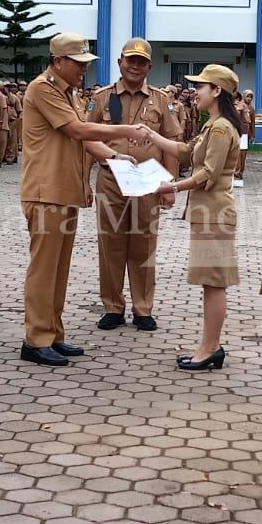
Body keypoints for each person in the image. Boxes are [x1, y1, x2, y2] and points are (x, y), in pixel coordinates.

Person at [19, 33, 150, 367]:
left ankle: (53, 334)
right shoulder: (43, 88)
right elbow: (78, 130)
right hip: (45, 191)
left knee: (59, 270)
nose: (83, 70)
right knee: (44, 270)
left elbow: (84, 140)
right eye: (78, 64)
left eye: (85, 64)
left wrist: (114, 157)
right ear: (58, 61)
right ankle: (36, 339)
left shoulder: (69, 93)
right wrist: (125, 131)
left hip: (65, 191)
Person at [141, 64, 246, 368]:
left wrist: (170, 185)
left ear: (217, 91)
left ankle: (210, 348)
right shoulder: (211, 124)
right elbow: (187, 152)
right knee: (209, 282)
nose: (195, 92)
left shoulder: (221, 127)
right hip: (206, 213)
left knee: (214, 282)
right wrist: (152, 135)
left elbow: (208, 173)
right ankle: (209, 345)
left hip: (215, 213)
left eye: (201, 86)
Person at [87, 39, 183, 332]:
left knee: (144, 244)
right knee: (111, 244)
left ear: (149, 67)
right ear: (120, 62)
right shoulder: (102, 98)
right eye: (130, 60)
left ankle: (143, 309)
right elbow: (85, 137)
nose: (135, 66)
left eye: (141, 62)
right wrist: (82, 182)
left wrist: (169, 184)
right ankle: (113, 307)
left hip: (147, 181)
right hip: (110, 178)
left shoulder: (161, 100)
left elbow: (172, 143)